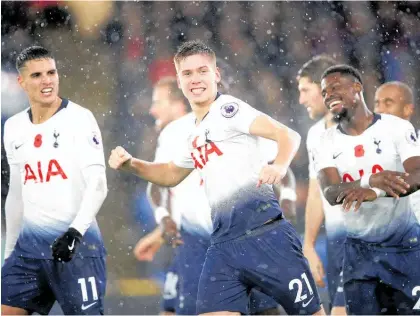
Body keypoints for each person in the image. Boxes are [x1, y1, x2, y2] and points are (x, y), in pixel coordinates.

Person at [110, 40, 325, 315]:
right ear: (179, 79)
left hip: (264, 235)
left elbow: (288, 136)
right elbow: (170, 173)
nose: (195, 79)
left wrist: (280, 166)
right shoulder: (194, 133)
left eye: (202, 71)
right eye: (187, 73)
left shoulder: (229, 110)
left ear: (216, 75)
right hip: (223, 245)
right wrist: (132, 164)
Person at [134, 75, 296, 315]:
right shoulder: (174, 133)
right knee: (177, 309)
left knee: (263, 309)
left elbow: (282, 159)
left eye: (158, 102)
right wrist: (163, 222)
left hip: (240, 235)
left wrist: (287, 204)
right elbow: (163, 185)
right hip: (196, 241)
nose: (152, 109)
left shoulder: (236, 121)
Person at [1, 46, 108, 315]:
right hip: (28, 252)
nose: (47, 80)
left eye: (51, 72)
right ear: (22, 82)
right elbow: (16, 194)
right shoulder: (13, 127)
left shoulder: (79, 119)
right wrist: (9, 252)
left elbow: (98, 183)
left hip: (76, 250)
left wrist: (75, 233)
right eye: (37, 75)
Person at [315, 64, 420, 314]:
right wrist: (368, 182)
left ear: (357, 88)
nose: (329, 95)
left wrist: (379, 192)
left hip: (404, 248)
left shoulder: (396, 128)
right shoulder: (324, 141)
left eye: (335, 87)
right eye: (325, 93)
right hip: (359, 253)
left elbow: (417, 173)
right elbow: (330, 192)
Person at [296, 55, 347, 315]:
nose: (301, 99)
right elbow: (317, 191)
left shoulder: (365, 126)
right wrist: (309, 244)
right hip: (338, 243)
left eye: (306, 90)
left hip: (368, 242)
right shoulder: (315, 134)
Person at [374, 81, 420, 221]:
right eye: (377, 103)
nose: (380, 110)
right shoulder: (367, 148)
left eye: (388, 103)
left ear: (407, 109)